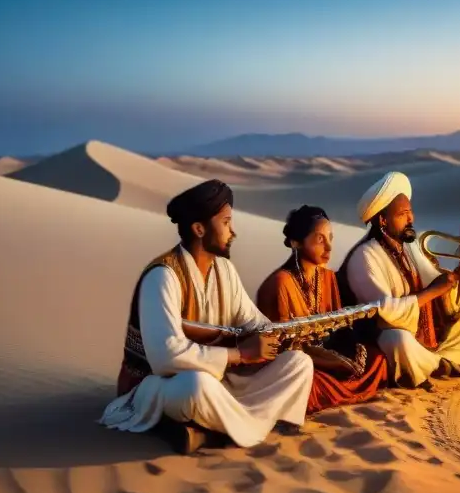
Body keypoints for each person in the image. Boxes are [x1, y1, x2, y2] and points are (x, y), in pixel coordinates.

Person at [99, 179, 314, 455]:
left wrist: (284, 335)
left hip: (219, 381)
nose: (232, 232)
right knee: (196, 385)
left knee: (299, 364)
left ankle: (214, 431)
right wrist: (241, 355)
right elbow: (165, 357)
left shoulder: (224, 270)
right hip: (160, 385)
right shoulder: (163, 276)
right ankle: (245, 427)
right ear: (199, 229)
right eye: (226, 223)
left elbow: (253, 321)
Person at [338, 171, 460, 389]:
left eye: (410, 212)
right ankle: (441, 364)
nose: (411, 219)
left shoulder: (409, 247)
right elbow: (385, 311)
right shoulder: (364, 256)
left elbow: (441, 289)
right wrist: (432, 291)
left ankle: (437, 362)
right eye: (403, 214)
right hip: (381, 335)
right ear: (383, 220)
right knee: (398, 341)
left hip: (425, 334)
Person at [255, 205, 389, 414]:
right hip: (296, 362)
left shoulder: (326, 277)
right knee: (309, 384)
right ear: (296, 242)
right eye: (320, 239)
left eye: (330, 238)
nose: (328, 247)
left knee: (377, 360)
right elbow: (283, 349)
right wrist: (331, 363)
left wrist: (349, 352)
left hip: (325, 354)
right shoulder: (281, 283)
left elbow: (337, 328)